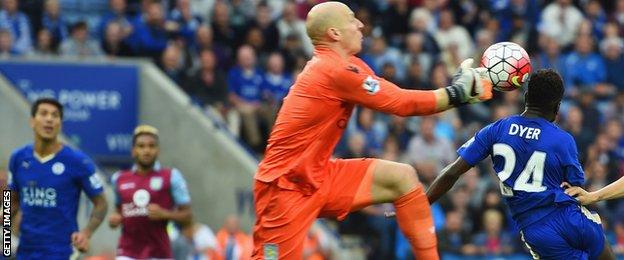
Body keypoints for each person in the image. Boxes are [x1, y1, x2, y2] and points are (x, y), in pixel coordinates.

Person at [252, 2, 493, 259]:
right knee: (269, 257)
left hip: (320, 175)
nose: (360, 25)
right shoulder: (334, 70)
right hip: (283, 189)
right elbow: (401, 103)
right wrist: (457, 94)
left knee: (401, 178)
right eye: (352, 19)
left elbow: (396, 95)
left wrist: (458, 91)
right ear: (334, 33)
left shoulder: (349, 65)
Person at [426, 69, 615, 259]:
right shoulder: (563, 140)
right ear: (557, 107)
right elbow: (577, 187)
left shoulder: (496, 130)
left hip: (539, 230)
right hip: (571, 218)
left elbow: (452, 173)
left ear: (526, 97)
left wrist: (422, 204)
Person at [7, 98, 108, 258]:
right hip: (26, 250)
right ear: (32, 121)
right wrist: (6, 240)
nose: (49, 119)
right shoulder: (18, 158)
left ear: (60, 124)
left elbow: (101, 203)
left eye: (55, 115)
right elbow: (11, 201)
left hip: (61, 251)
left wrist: (86, 234)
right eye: (44, 114)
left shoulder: (77, 161)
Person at [108, 125, 193, 259]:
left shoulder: (171, 177)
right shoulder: (119, 179)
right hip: (127, 252)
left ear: (158, 150)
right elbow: (119, 210)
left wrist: (165, 214)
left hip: (158, 253)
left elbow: (188, 215)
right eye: (141, 146)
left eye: (151, 146)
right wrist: (114, 219)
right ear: (133, 151)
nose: (146, 151)